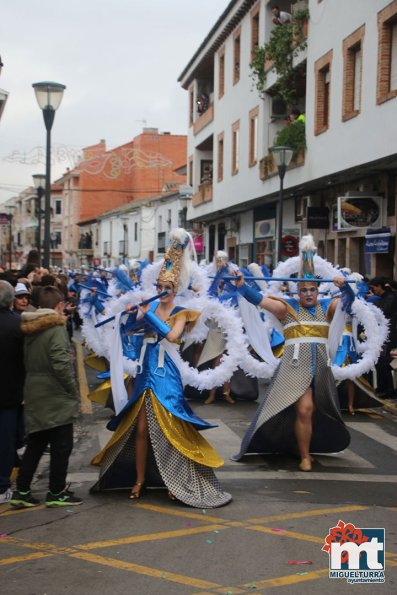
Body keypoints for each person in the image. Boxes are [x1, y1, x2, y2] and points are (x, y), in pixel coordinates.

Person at [91, 229, 232, 508]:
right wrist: (131, 315)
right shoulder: (149, 306)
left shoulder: (183, 312)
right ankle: (140, 480)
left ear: (176, 287)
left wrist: (148, 316)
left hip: (167, 372)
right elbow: (129, 330)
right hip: (145, 371)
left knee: (170, 429)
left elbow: (171, 336)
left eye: (168, 287)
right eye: (159, 286)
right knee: (142, 430)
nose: (162, 291)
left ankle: (174, 480)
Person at [233, 235, 351, 472]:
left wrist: (346, 286)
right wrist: (243, 286)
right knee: (305, 408)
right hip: (294, 368)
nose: (308, 294)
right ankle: (305, 456)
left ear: (318, 290)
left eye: (312, 290)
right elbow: (260, 300)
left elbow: (351, 301)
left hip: (321, 369)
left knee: (316, 410)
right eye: (304, 290)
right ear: (297, 291)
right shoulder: (286, 308)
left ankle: (298, 444)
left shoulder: (328, 305)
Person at [10, 286, 82, 508]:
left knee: (36, 443)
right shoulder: (55, 327)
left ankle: (22, 490)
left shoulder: (29, 325)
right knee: (62, 445)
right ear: (59, 305)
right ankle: (56, 491)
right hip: (54, 393)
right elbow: (60, 363)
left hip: (34, 389)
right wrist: (72, 389)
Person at [0, 281, 25, 504]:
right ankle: (2, 485)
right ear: (10, 300)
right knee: (6, 441)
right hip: (10, 394)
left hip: (10, 392)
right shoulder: (17, 324)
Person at [369, 276, 397, 398]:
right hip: (385, 334)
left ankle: (388, 390)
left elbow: (383, 313)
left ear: (380, 286)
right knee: (380, 361)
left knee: (383, 362)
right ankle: (383, 387)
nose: (373, 290)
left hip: (389, 335)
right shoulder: (385, 298)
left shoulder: (390, 298)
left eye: (374, 287)